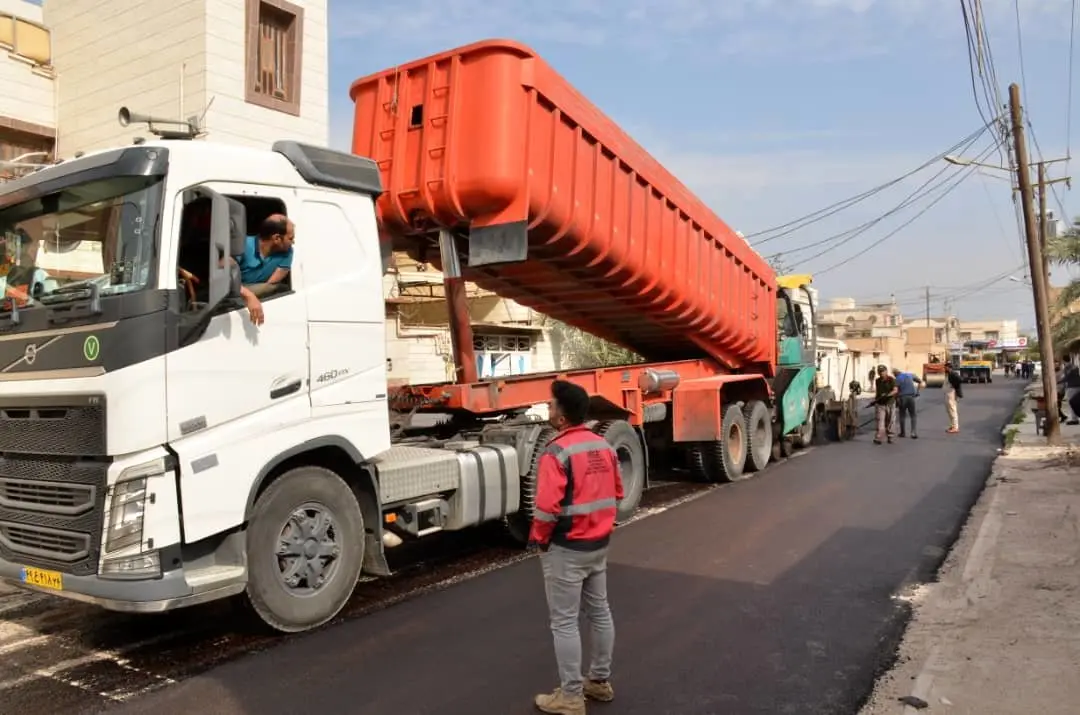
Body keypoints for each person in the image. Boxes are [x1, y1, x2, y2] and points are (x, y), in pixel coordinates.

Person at [529, 380, 624, 715]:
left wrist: (539, 540)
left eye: (551, 405)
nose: (549, 409)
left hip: (566, 548)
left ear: (561, 417)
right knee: (599, 611)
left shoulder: (556, 452)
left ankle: (570, 697)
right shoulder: (604, 446)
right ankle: (598, 681)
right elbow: (617, 493)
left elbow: (545, 509)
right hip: (598, 545)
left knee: (564, 622)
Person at [234, 213, 295, 289]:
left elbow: (268, 286)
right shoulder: (242, 245)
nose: (293, 242)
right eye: (290, 238)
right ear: (277, 238)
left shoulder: (287, 252)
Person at [892, 367, 923, 439]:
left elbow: (896, 391)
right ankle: (913, 433)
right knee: (913, 415)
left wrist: (896, 401)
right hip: (911, 398)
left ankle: (903, 433)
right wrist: (918, 392)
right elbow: (920, 381)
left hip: (902, 398)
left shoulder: (897, 379)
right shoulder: (910, 375)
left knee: (902, 415)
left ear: (895, 374)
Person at [944, 363, 963, 434]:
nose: (944, 369)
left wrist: (953, 385)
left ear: (949, 368)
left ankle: (955, 427)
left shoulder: (953, 373)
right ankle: (952, 426)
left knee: (952, 410)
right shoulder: (949, 374)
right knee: (949, 411)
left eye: (945, 368)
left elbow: (960, 380)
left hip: (951, 394)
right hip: (948, 394)